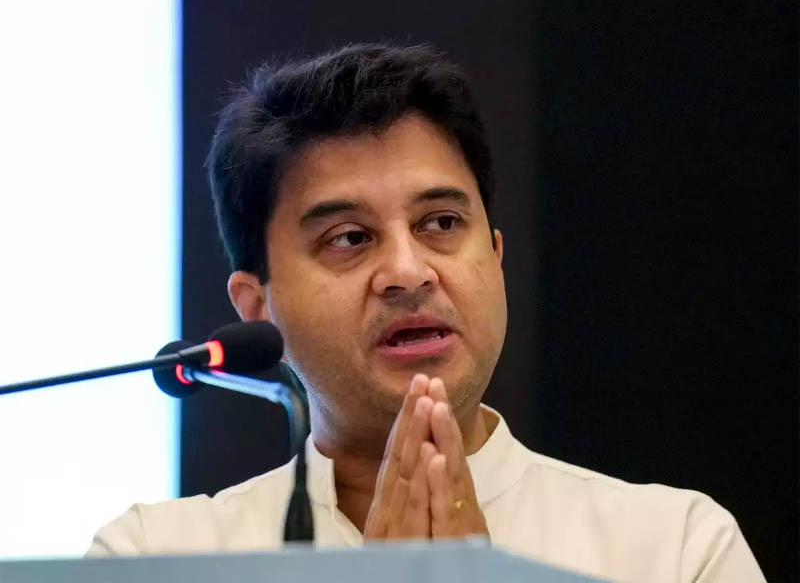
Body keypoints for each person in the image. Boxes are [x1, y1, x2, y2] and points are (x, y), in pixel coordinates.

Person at [87, 43, 765, 582]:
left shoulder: (674, 551)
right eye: (349, 238)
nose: (409, 272)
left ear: (495, 258)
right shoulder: (153, 558)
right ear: (258, 308)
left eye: (441, 222)